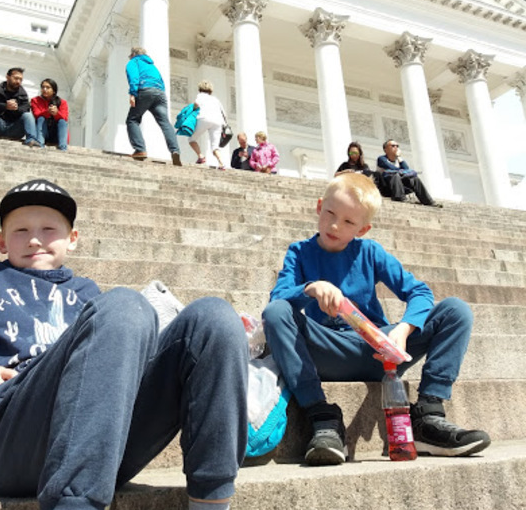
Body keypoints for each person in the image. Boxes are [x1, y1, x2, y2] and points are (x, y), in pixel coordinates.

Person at [0, 179, 248, 510]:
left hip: (99, 445)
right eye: (21, 230)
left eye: (48, 229)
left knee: (215, 318)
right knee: (125, 304)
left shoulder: (87, 293)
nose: (35, 240)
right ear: (0, 241)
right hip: (13, 436)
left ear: (72, 238)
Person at [262, 173, 490, 467]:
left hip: (382, 350)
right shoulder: (299, 251)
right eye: (331, 213)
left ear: (363, 229)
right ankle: (322, 418)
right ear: (319, 206)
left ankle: (428, 416)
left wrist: (404, 329)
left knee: (455, 310)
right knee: (276, 313)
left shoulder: (370, 252)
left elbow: (419, 291)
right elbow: (278, 298)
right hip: (328, 351)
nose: (335, 225)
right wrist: (311, 288)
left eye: (348, 222)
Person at [125, 47, 182, 166]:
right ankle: (175, 151)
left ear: (134, 54)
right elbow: (161, 81)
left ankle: (140, 149)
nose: (129, 56)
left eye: (130, 54)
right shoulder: (152, 66)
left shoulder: (134, 62)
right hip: (160, 93)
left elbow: (133, 77)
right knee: (165, 123)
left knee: (132, 120)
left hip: (145, 90)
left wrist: (133, 94)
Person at [0, 67, 40, 147]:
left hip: (14, 129)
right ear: (7, 77)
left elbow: (26, 108)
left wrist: (16, 108)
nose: (18, 81)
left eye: (20, 79)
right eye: (16, 78)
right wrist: (5, 106)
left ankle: (31, 140)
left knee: (28, 115)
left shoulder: (23, 94)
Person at [377, 139, 442, 207]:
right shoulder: (382, 159)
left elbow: (407, 170)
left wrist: (399, 157)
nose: (396, 148)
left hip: (400, 187)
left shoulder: (399, 160)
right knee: (394, 175)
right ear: (385, 149)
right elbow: (392, 168)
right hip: (386, 187)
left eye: (397, 146)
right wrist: (402, 171)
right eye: (393, 146)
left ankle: (428, 201)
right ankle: (399, 198)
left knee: (415, 179)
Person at [189, 81, 227, 170]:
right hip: (218, 122)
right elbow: (224, 114)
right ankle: (221, 163)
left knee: (192, 139)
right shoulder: (215, 99)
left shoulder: (201, 96)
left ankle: (201, 156)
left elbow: (196, 104)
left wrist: (193, 109)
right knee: (215, 146)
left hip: (204, 119)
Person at [31, 78, 69, 151]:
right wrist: (47, 112)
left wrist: (56, 113)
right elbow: (36, 114)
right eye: (43, 87)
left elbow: (65, 118)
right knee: (41, 118)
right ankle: (40, 145)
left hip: (56, 133)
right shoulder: (35, 100)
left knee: (62, 121)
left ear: (54, 91)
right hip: (43, 130)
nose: (44, 89)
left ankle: (63, 148)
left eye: (48, 87)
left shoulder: (62, 102)